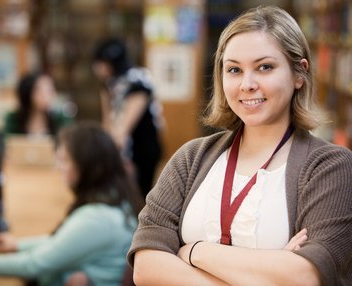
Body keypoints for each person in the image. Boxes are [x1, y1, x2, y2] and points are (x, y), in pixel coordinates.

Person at [127, 6, 352, 286]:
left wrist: (194, 252)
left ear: (298, 74)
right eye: (234, 69)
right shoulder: (190, 158)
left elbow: (306, 276)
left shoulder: (331, 167)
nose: (247, 84)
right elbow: (146, 268)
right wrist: (269, 272)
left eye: (264, 67)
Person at [0, 121, 141, 286]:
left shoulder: (98, 218)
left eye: (64, 160)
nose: (59, 167)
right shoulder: (116, 199)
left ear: (87, 165)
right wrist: (18, 245)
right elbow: (63, 242)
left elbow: (33, 264)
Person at [92, 38, 162, 197]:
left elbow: (123, 129)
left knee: (139, 198)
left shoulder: (137, 81)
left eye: (99, 62)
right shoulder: (110, 84)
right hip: (123, 150)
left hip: (141, 149)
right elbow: (108, 122)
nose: (95, 68)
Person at [3, 71, 73, 136]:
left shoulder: (59, 118)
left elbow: (67, 141)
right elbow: (7, 143)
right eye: (46, 90)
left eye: (51, 89)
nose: (52, 94)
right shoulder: (13, 120)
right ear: (29, 93)